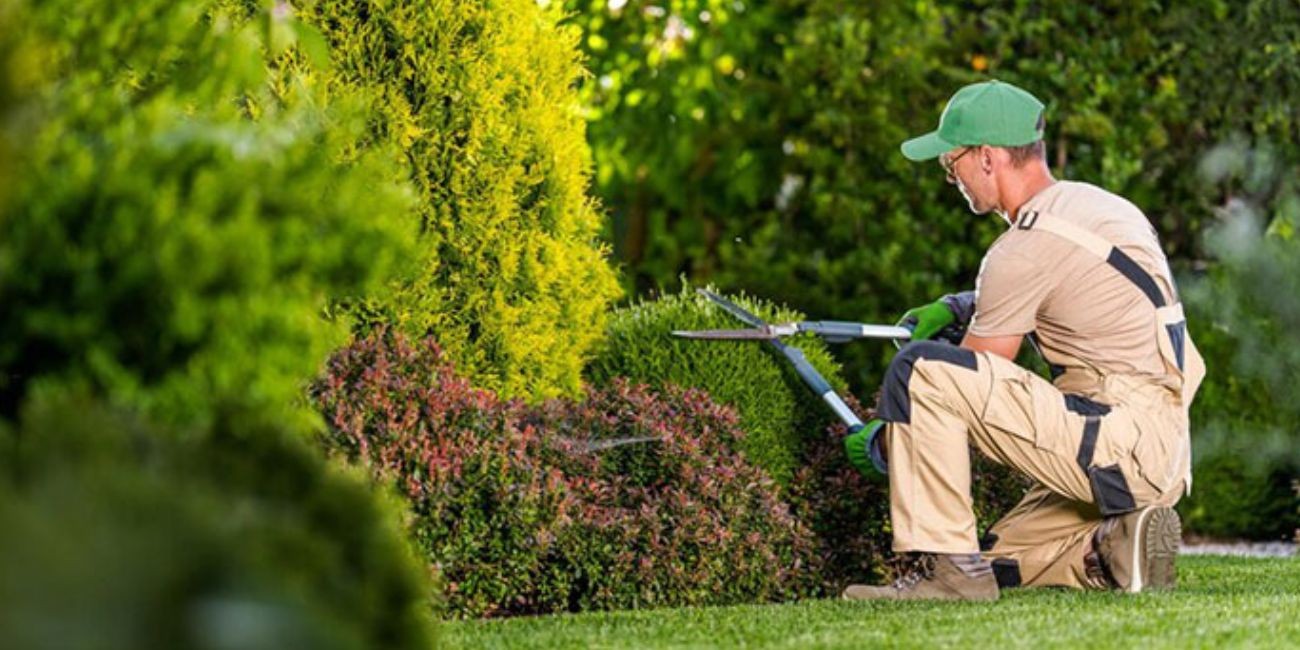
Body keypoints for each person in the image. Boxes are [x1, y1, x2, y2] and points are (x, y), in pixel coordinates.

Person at [840, 80, 1205, 600]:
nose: (949, 174)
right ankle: (1108, 548)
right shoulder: (1096, 207)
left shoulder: (1021, 248)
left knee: (919, 370)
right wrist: (961, 305)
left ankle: (954, 581)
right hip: (1158, 451)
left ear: (987, 158)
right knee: (995, 555)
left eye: (952, 160)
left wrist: (884, 441)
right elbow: (1071, 288)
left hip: (1116, 443)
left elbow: (974, 380)